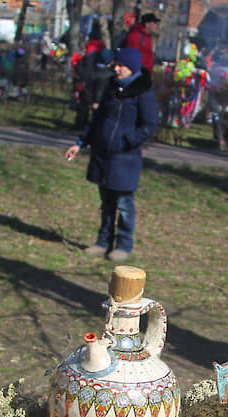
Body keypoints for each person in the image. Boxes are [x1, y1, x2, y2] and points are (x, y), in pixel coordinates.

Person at [63, 48, 158, 263]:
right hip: (102, 156)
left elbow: (149, 125)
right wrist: (81, 143)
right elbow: (97, 120)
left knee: (124, 205)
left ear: (131, 67)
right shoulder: (112, 88)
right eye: (114, 64)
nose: (115, 68)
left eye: (119, 65)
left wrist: (126, 142)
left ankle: (123, 246)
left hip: (125, 159)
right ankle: (102, 242)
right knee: (106, 204)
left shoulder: (143, 92)